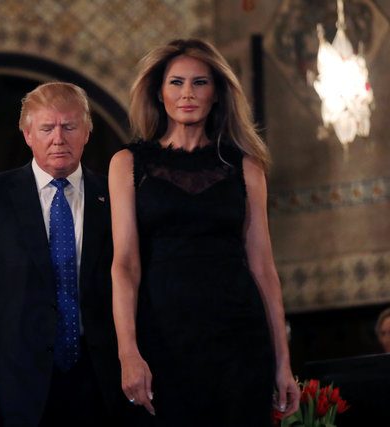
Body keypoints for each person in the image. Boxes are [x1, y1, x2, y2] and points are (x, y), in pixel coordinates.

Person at [108, 38, 300, 426]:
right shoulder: (128, 164)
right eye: (176, 83)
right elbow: (124, 265)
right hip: (161, 337)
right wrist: (128, 352)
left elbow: (264, 268)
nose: (188, 94)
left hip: (238, 339)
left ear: (217, 94)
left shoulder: (246, 167)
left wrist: (283, 363)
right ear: (159, 94)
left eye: (200, 83)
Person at [0, 82, 124, 427]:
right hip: (16, 382)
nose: (58, 138)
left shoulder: (117, 195)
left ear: (87, 132)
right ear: (28, 134)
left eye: (69, 126)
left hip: (101, 379)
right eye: (47, 128)